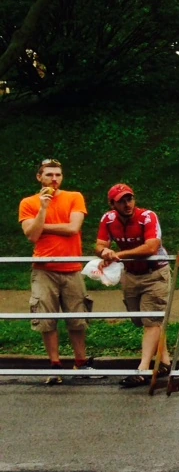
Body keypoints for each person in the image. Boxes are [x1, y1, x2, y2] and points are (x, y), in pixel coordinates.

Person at [19, 158, 91, 384]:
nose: (54, 179)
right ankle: (55, 365)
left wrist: (42, 227)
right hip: (44, 270)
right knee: (46, 319)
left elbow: (73, 228)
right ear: (39, 177)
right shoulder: (28, 203)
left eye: (58, 175)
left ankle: (81, 363)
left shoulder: (74, 197)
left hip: (72, 268)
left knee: (77, 319)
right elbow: (32, 236)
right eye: (49, 175)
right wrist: (43, 209)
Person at [95, 183, 171, 388]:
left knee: (151, 320)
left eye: (130, 199)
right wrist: (104, 252)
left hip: (155, 273)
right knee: (142, 320)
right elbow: (100, 244)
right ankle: (164, 361)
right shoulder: (108, 219)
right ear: (112, 204)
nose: (127, 204)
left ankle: (143, 369)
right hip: (130, 274)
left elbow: (151, 247)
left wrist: (118, 255)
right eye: (122, 201)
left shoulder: (147, 216)